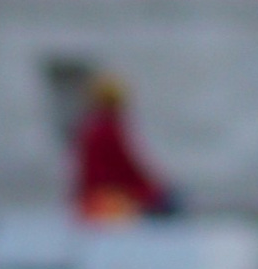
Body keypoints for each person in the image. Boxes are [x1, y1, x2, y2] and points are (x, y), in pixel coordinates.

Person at [69, 71, 179, 221]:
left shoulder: (90, 127)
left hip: (92, 195)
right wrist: (153, 186)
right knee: (169, 202)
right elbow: (126, 166)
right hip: (108, 197)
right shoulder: (109, 129)